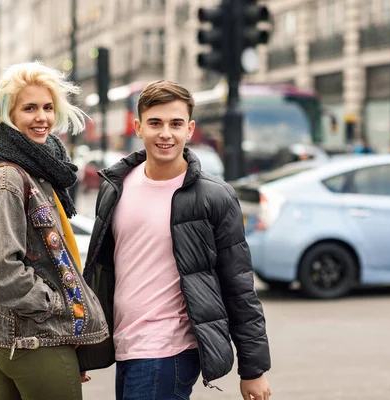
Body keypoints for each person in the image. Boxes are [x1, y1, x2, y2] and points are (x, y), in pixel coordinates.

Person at [77, 80, 272, 399]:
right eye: (155, 123)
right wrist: (87, 345)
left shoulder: (214, 197)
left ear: (190, 129)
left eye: (175, 124)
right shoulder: (116, 187)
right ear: (139, 127)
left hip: (169, 350)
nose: (165, 133)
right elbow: (100, 273)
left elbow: (238, 286)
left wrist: (253, 369)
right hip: (127, 345)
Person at [0, 61, 109, 400]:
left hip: (18, 336)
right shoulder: (10, 178)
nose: (42, 117)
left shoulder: (34, 168)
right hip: (34, 337)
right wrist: (58, 307)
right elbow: (2, 273)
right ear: (9, 114)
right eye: (29, 108)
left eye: (47, 107)